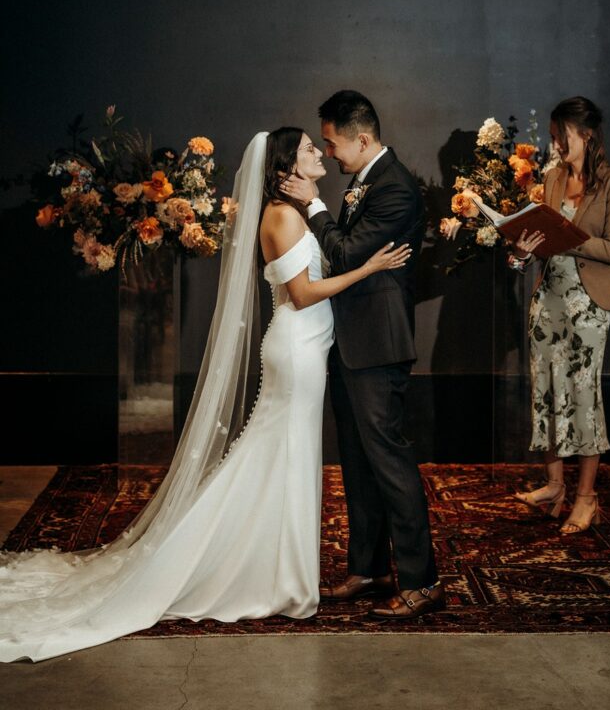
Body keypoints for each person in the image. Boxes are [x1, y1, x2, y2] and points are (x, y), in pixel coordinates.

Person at [0, 128, 410, 662]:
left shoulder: (299, 210)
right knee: (282, 455)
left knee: (283, 458)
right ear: (285, 168)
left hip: (310, 347)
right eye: (310, 148)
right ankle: (271, 577)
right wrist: (369, 268)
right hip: (297, 346)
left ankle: (278, 569)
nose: (319, 153)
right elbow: (304, 295)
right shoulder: (281, 217)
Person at [280, 91, 444, 620]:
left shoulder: (395, 187)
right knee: (357, 461)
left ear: (363, 139)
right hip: (349, 342)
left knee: (390, 460)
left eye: (331, 143)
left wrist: (314, 205)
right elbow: (349, 247)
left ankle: (422, 580)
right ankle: (369, 568)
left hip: (378, 343)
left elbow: (346, 251)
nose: (327, 153)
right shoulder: (364, 181)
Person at [509, 97, 610, 535]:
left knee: (582, 398)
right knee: (546, 393)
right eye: (555, 136)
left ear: (587, 134)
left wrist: (569, 237)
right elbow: (541, 240)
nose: (556, 144)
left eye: (562, 136)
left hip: (588, 305)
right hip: (548, 302)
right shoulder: (552, 177)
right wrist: (523, 252)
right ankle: (555, 486)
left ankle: (586, 498)